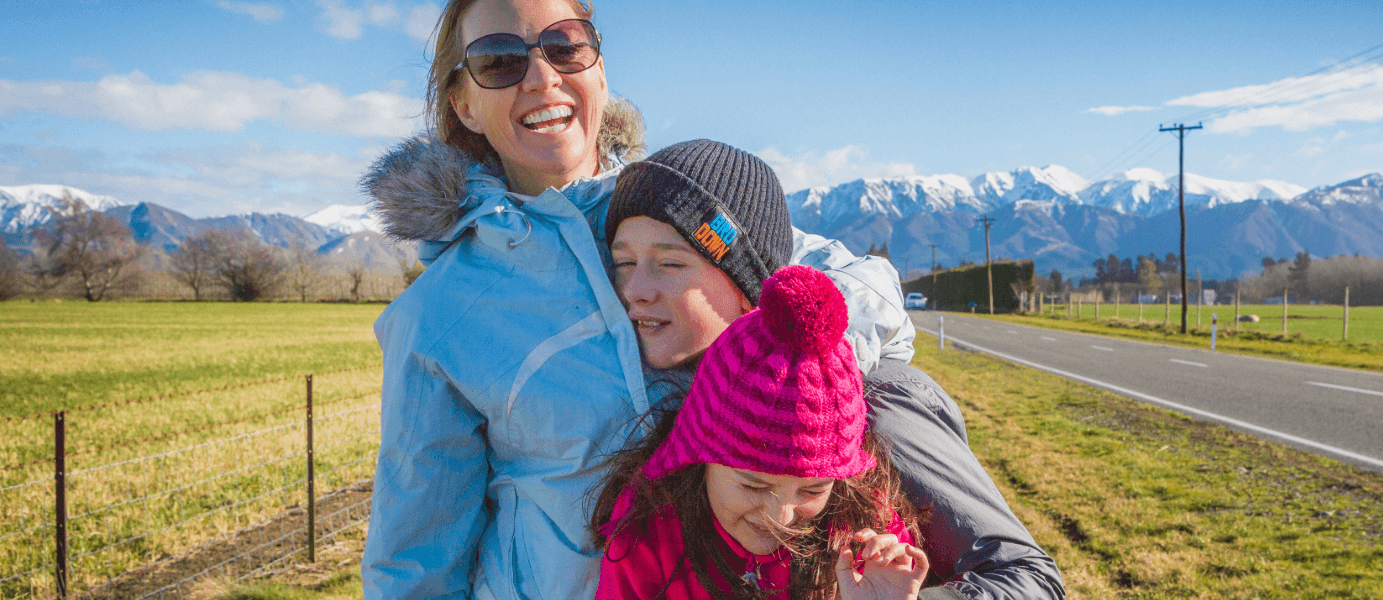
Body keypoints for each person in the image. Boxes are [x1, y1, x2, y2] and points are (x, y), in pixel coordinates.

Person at [359, 2, 912, 599]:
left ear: (599, 70)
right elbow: (415, 560)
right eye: (498, 60)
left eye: (565, 45)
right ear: (463, 103)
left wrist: (805, 378)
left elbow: (863, 287)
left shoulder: (678, 210)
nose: (542, 77)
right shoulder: (441, 314)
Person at [595, 139, 1064, 599]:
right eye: (623, 263)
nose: (633, 289)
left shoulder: (870, 401)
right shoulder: (652, 477)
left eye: (671, 262)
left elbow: (1022, 575)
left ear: (746, 286)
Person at [595, 265, 928, 600]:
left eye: (812, 490)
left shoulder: (869, 546)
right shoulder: (649, 537)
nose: (779, 517)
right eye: (754, 485)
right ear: (697, 455)